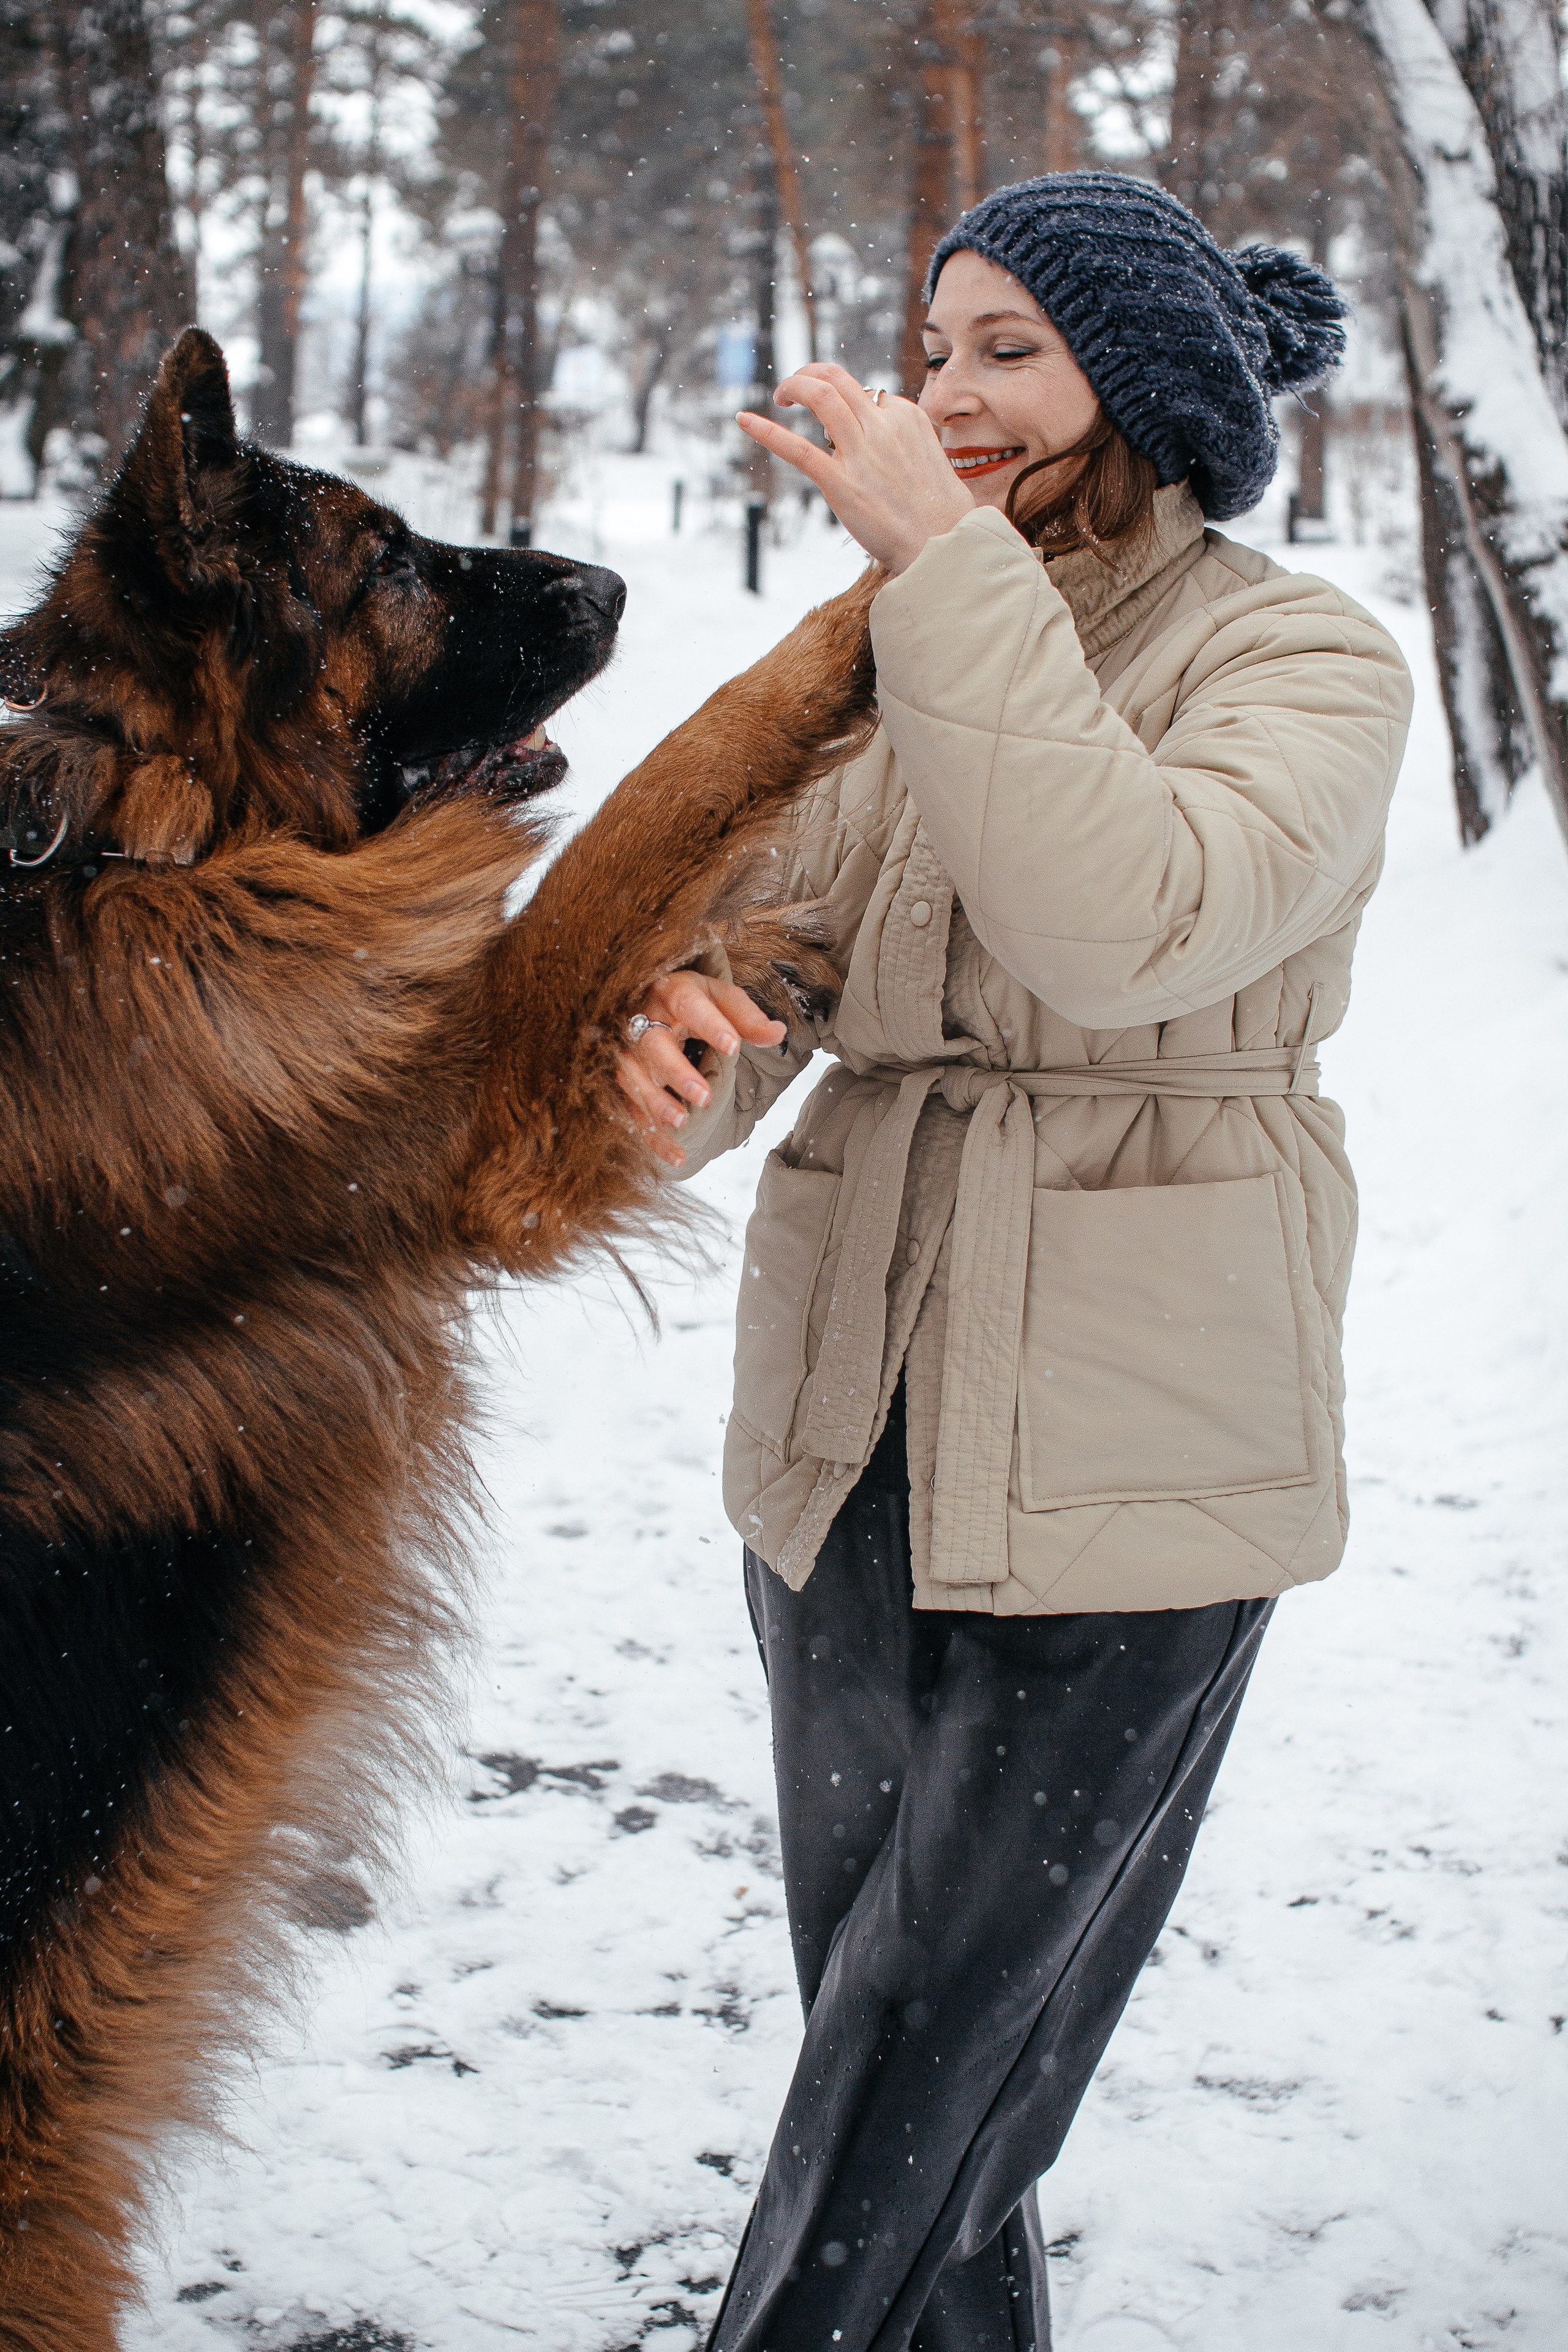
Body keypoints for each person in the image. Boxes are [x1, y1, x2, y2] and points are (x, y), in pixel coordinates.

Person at [616, 173, 1411, 2352]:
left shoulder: (1301, 655)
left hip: (1136, 1453)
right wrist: (660, 1047)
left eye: (1006, 353)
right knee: (892, 2055)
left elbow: (1123, 924)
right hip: (842, 1430)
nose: (943, 393)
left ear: (1140, 386)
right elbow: (758, 979)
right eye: (933, 344)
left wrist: (947, 579)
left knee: (928, 2063)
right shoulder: (895, 654)